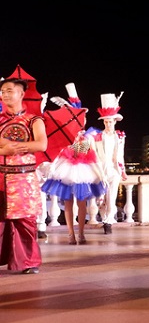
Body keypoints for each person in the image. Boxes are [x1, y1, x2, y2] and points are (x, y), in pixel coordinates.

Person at [41, 84, 107, 245]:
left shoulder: (87, 135)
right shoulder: (64, 134)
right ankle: (71, 234)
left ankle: (81, 233)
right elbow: (60, 150)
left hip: (83, 170)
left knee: (82, 202)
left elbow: (88, 154)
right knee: (69, 202)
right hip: (66, 171)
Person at [0, 78, 48, 274]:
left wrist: (17, 147)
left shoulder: (33, 120)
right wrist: (4, 151)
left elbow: (41, 145)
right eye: (3, 91)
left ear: (21, 94)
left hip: (23, 178)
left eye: (10, 90)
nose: (5, 94)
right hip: (0, 177)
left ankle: (28, 262)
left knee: (25, 221)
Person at [92, 93, 127, 234]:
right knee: (100, 199)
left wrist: (123, 170)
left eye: (110, 121)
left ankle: (108, 222)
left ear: (115, 122)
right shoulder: (97, 136)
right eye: (106, 122)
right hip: (101, 170)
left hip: (114, 170)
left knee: (112, 197)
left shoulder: (120, 136)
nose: (108, 124)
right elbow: (90, 152)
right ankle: (105, 218)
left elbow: (121, 154)